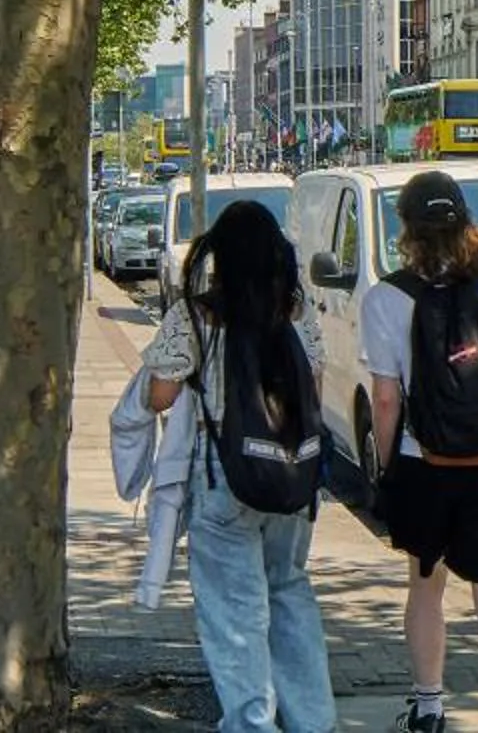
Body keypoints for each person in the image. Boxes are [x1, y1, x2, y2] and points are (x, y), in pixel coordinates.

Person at [137, 200, 335, 733]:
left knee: (235, 613)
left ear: (218, 257)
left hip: (225, 479)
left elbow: (158, 394)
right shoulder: (296, 311)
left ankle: (252, 723)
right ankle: (314, 721)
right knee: (290, 591)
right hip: (292, 479)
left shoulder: (197, 316)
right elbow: (314, 386)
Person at [362, 170, 478, 733]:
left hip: (425, 465)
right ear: (467, 224)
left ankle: (429, 707)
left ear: (406, 230)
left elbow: (387, 399)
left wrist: (386, 470)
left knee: (426, 586)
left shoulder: (386, 299)